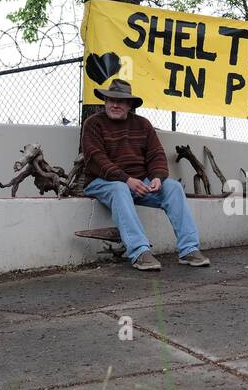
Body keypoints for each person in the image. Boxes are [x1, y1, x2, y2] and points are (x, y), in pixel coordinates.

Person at [81, 79, 210, 271]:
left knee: (172, 187)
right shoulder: (93, 124)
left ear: (130, 105)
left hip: (139, 182)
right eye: (110, 100)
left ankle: (189, 249)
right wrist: (126, 179)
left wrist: (157, 177)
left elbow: (156, 154)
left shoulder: (142, 124)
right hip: (102, 181)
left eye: (121, 101)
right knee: (119, 188)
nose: (115, 104)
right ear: (105, 101)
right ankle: (139, 251)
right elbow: (96, 159)